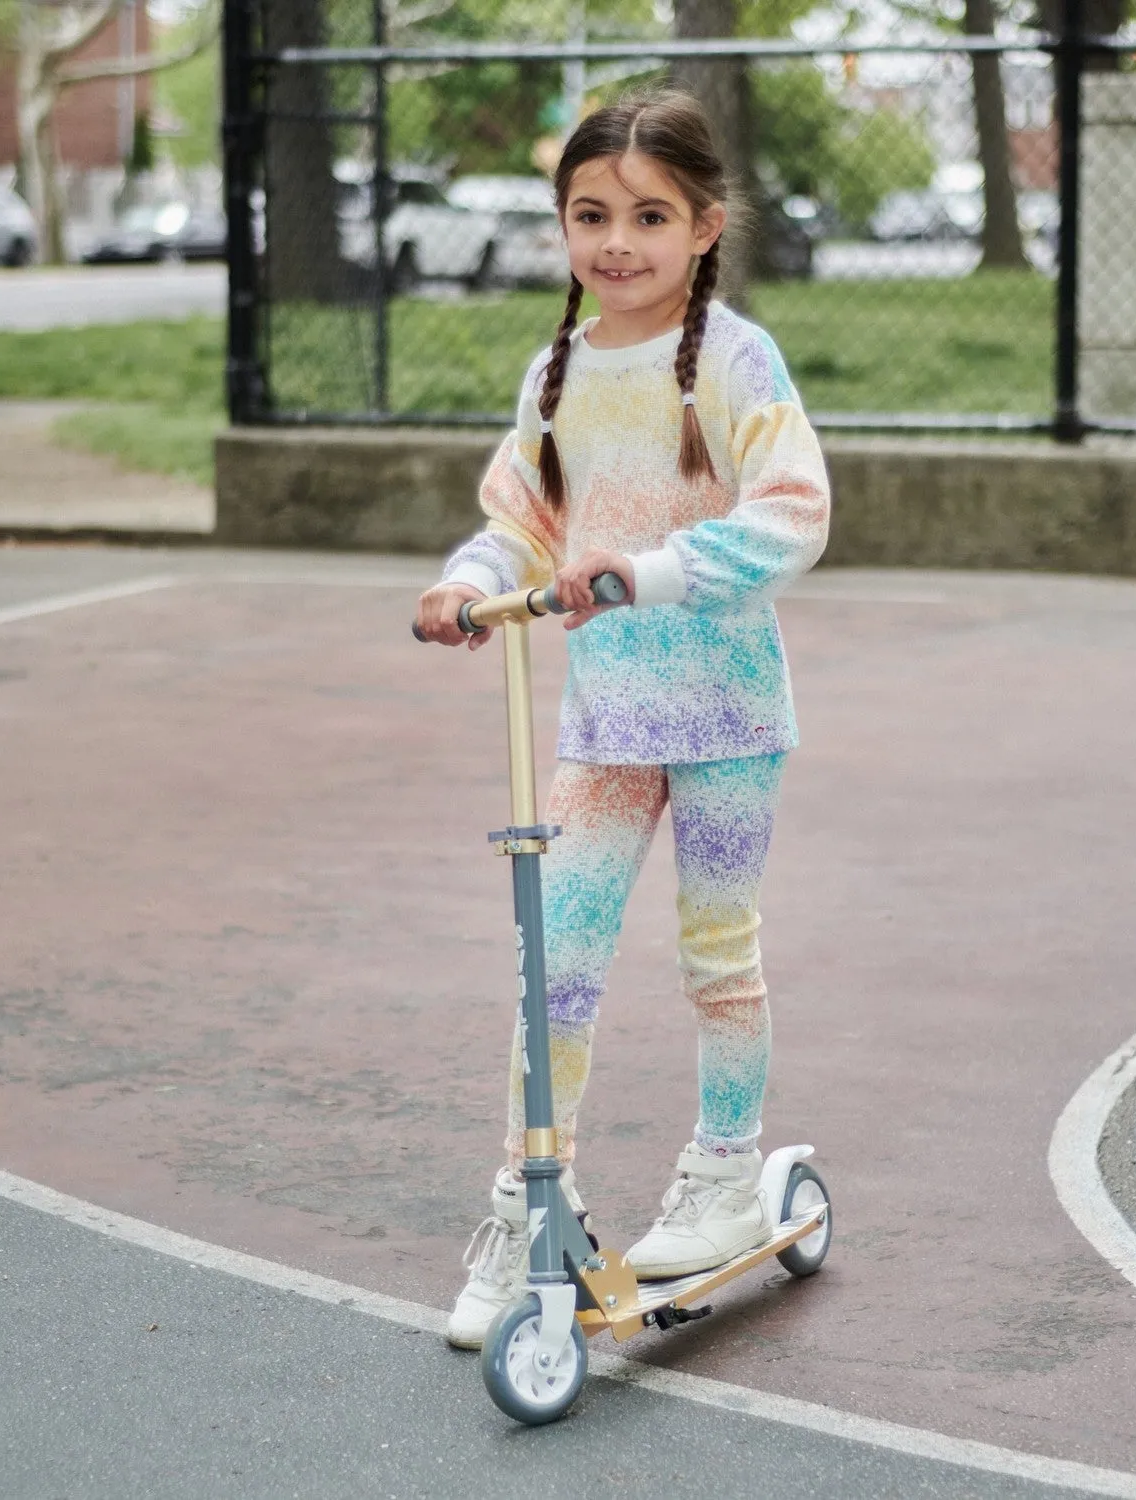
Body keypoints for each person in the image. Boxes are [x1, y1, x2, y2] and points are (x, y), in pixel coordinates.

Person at [413, 89, 830, 1350]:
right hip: (604, 717)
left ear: (705, 226)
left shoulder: (740, 361)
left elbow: (795, 511)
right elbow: (522, 520)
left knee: (717, 951)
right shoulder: (556, 374)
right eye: (591, 214)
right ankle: (525, 1206)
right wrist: (473, 582)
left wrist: (647, 570)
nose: (618, 242)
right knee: (557, 965)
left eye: (650, 216)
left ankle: (721, 1171)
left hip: (723, 709)